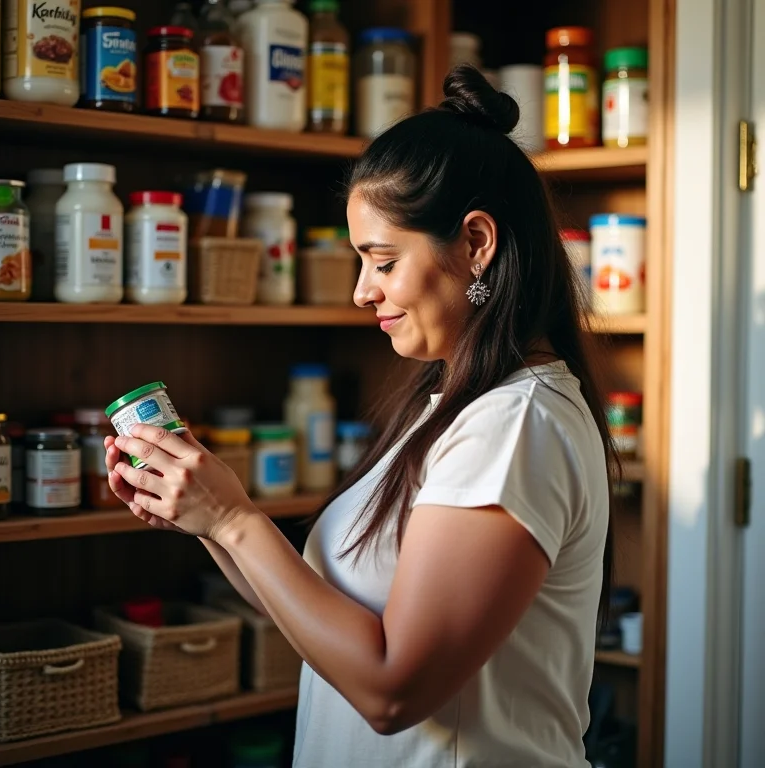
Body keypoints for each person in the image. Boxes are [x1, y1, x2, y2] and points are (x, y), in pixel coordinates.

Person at [105, 65, 614, 768]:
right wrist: (203, 510)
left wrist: (233, 520)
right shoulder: (453, 407)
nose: (360, 291)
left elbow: (392, 690)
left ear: (475, 243)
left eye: (382, 261)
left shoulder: (515, 425)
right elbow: (324, 617)